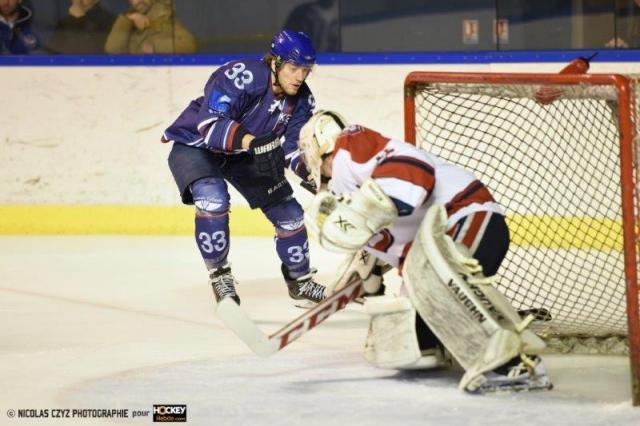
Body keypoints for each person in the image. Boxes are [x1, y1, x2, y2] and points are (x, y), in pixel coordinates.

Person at [299, 110, 553, 394]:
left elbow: (413, 166)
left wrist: (379, 206)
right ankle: (484, 323)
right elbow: (389, 242)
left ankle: (514, 363)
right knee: (406, 341)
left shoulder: (349, 147)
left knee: (438, 284)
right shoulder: (355, 200)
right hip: (434, 245)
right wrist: (366, 279)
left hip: (464, 215)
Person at [162, 29, 326, 306]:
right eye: (294, 67)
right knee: (212, 198)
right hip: (196, 145)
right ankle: (220, 275)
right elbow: (210, 124)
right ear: (275, 62)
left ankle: (300, 281)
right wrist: (253, 142)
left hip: (243, 153)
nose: (300, 76)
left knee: (290, 215)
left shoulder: (302, 100)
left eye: (306, 70)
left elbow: (292, 148)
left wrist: (318, 177)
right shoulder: (244, 75)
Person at [104, 0, 196, 54]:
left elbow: (189, 45)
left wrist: (155, 46)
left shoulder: (166, 16)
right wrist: (128, 20)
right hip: (133, 79)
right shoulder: (127, 21)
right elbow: (112, 50)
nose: (138, 1)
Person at [46, 0, 115, 54]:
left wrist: (79, 16)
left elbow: (89, 51)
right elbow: (53, 51)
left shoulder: (108, 20)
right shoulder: (64, 22)